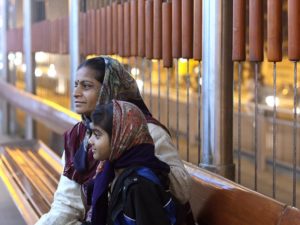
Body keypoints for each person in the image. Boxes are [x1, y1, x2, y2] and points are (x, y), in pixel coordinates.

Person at [36, 56, 191, 225]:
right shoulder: (80, 134)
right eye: (75, 85)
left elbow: (181, 191)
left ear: (110, 89)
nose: (76, 93)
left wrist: (140, 157)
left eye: (86, 86)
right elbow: (67, 203)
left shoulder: (143, 132)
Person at [85, 100, 178, 225]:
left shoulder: (140, 186)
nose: (90, 141)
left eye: (97, 135)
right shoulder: (115, 170)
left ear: (120, 138)